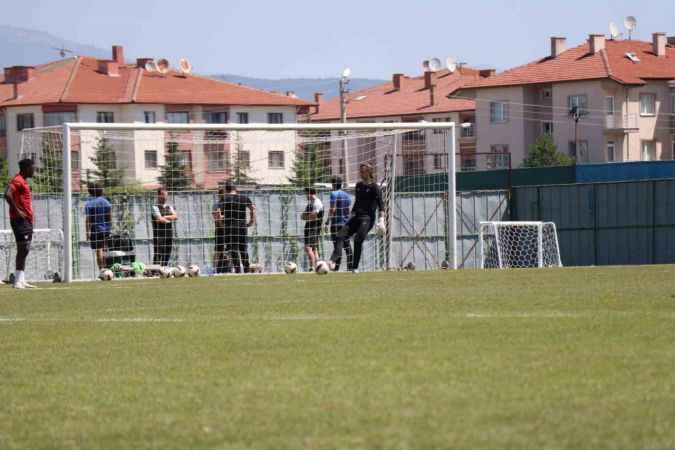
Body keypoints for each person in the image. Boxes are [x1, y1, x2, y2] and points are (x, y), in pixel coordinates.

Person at [329, 163, 384, 273]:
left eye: (363, 171)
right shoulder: (358, 185)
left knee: (358, 239)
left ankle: (354, 267)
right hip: (356, 216)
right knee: (340, 235)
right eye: (360, 171)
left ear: (369, 172)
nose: (361, 173)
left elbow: (381, 204)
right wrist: (351, 216)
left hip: (367, 219)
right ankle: (332, 261)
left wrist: (381, 220)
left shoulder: (375, 187)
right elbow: (357, 202)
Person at [5, 158, 36, 288]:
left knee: (25, 248)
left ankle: (21, 278)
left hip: (26, 220)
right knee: (22, 248)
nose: (34, 170)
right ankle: (17, 280)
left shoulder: (23, 181)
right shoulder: (17, 180)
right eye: (32, 167)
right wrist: (17, 210)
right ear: (26, 168)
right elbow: (7, 194)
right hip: (19, 220)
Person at [212, 181, 256, 273]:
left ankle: (237, 270)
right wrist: (252, 220)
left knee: (233, 249)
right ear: (235, 189)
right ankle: (246, 269)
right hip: (242, 227)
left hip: (229, 227)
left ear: (226, 190)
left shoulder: (224, 199)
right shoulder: (243, 198)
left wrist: (221, 224)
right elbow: (252, 208)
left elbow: (217, 213)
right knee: (243, 248)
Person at [84, 182, 112, 270]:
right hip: (106, 230)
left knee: (99, 250)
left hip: (96, 230)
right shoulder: (106, 202)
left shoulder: (89, 204)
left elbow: (88, 220)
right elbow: (110, 216)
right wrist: (109, 227)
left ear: (90, 192)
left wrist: (87, 232)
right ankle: (107, 269)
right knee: (105, 249)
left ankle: (101, 270)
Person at [327, 176, 352, 271]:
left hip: (336, 224)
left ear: (333, 184)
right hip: (346, 224)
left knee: (337, 247)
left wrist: (327, 222)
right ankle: (350, 268)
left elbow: (332, 209)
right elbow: (348, 211)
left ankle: (334, 266)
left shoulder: (333, 194)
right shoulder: (347, 195)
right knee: (347, 246)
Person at [151, 188, 178, 266]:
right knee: (158, 254)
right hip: (159, 235)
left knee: (167, 254)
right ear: (158, 195)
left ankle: (164, 270)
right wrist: (168, 218)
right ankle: (154, 272)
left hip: (169, 234)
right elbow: (159, 219)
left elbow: (175, 216)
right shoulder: (155, 207)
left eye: (166, 195)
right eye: (163, 194)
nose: (165, 197)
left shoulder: (169, 206)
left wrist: (165, 217)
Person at [301, 187, 324, 270]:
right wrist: (307, 216)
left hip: (313, 228)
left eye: (306, 193)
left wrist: (307, 217)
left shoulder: (317, 203)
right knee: (314, 249)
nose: (306, 195)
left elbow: (313, 216)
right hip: (309, 228)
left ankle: (312, 268)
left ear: (310, 193)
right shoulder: (310, 204)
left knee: (308, 248)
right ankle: (319, 266)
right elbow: (303, 216)